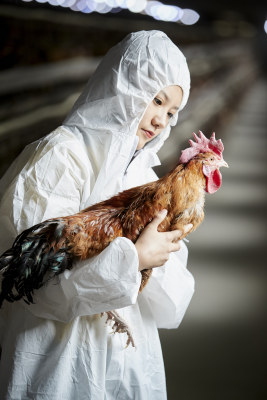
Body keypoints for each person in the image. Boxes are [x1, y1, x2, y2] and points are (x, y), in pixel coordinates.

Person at [0, 30, 194, 399]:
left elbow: (170, 305)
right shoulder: (59, 158)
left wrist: (159, 257)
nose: (160, 120)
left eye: (171, 112)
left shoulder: (141, 175)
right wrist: (134, 258)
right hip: (57, 356)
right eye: (156, 100)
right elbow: (37, 289)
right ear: (125, 84)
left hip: (128, 356)